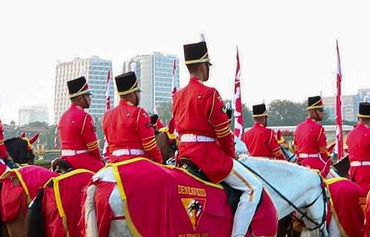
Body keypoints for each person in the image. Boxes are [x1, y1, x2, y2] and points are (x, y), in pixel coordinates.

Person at [171, 39, 264, 237]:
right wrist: (231, 156)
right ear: (202, 66)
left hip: (185, 155)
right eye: (208, 66)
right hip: (207, 157)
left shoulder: (178, 95)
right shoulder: (210, 93)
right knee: (254, 187)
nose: (208, 70)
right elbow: (223, 135)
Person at [102, 72, 162, 163]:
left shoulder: (107, 115)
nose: (139, 95)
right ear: (132, 94)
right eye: (138, 92)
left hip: (114, 160)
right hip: (135, 160)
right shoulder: (138, 113)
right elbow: (149, 145)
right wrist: (159, 160)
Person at [57, 77, 105, 172]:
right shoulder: (85, 117)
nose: (90, 99)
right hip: (80, 160)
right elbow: (92, 146)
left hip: (65, 158)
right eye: (87, 96)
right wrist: (99, 159)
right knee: (107, 173)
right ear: (80, 97)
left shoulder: (63, 116)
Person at [293, 96, 330, 175]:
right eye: (320, 110)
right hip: (314, 164)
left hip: (300, 163)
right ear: (312, 111)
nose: (322, 112)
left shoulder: (298, 127)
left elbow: (295, 148)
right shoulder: (318, 128)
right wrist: (327, 164)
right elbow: (323, 152)